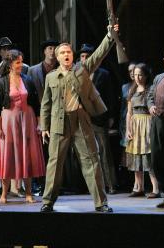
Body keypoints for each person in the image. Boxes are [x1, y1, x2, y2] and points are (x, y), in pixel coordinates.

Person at [39, 24, 117, 213]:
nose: (66, 55)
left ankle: (101, 203)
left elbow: (98, 54)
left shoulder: (82, 70)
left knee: (92, 160)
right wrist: (44, 126)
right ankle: (47, 202)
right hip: (59, 121)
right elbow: (46, 103)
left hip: (81, 119)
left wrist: (109, 36)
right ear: (57, 57)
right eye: (62, 52)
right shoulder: (51, 77)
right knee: (55, 163)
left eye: (69, 52)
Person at [0, 50, 45, 203]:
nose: (20, 65)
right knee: (7, 156)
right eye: (17, 62)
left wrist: (39, 123)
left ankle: (28, 193)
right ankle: (4, 194)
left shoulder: (27, 79)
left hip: (27, 121)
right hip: (9, 122)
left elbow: (36, 103)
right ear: (10, 64)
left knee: (27, 155)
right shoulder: (2, 81)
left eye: (21, 62)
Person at [0, 37, 29, 197]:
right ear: (0, 52)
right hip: (1, 115)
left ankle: (16, 188)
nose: (6, 51)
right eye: (3, 49)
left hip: (19, 116)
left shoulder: (24, 68)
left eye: (9, 48)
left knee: (17, 151)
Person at [79, 43, 117, 194]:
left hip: (99, 118)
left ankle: (111, 184)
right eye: (82, 56)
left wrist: (111, 116)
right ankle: (89, 185)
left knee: (104, 152)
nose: (84, 59)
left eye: (87, 56)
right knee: (86, 153)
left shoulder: (103, 74)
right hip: (82, 118)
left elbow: (110, 96)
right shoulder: (77, 72)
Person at [27, 38, 59, 195]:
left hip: (59, 114)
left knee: (56, 151)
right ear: (45, 51)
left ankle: (55, 184)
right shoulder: (33, 70)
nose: (52, 51)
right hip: (39, 114)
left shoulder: (62, 68)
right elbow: (29, 95)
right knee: (38, 150)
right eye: (50, 48)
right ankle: (38, 183)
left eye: (54, 48)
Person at [125, 63, 159, 198]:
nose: (137, 77)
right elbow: (129, 113)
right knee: (136, 157)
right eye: (135, 74)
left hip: (147, 124)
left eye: (140, 74)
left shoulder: (151, 89)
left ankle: (155, 188)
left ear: (146, 75)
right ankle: (139, 187)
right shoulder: (132, 90)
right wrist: (128, 129)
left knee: (148, 157)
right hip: (135, 125)